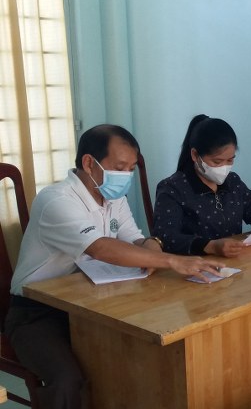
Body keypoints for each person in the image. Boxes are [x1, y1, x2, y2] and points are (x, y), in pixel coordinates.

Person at [5, 124, 226, 409]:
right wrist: (172, 260)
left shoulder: (114, 198)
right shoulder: (56, 199)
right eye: (120, 168)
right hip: (36, 313)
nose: (126, 176)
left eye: (131, 169)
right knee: (68, 379)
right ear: (89, 163)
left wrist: (151, 245)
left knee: (133, 357)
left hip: (90, 304)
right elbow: (100, 248)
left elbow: (135, 239)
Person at [153, 114, 251, 257]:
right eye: (217, 162)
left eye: (230, 160)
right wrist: (210, 246)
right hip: (193, 265)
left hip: (234, 263)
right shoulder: (172, 188)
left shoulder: (233, 182)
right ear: (195, 155)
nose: (224, 168)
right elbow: (165, 237)